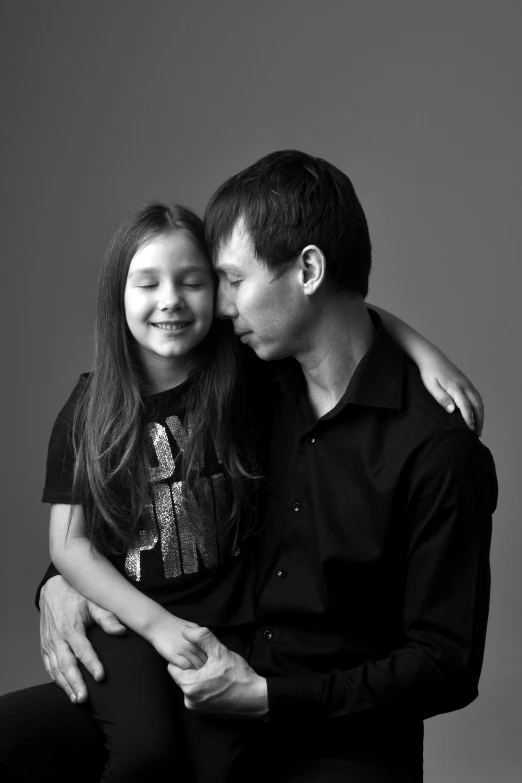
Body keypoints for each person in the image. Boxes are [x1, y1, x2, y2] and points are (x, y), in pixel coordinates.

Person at [0, 152, 490, 783]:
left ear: (307, 270)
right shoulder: (255, 379)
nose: (218, 307)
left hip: (332, 724)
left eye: (227, 280)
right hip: (193, 674)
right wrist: (61, 580)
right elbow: (135, 497)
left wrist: (265, 699)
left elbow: (443, 664)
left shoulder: (435, 450)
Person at [35, 201, 263, 783]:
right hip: (129, 620)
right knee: (144, 756)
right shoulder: (88, 411)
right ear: (119, 297)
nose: (171, 300)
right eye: (148, 283)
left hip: (226, 620)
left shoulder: (243, 374)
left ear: (218, 293)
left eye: (192, 282)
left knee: (225, 768)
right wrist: (157, 625)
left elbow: (336, 319)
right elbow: (70, 547)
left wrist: (422, 352)